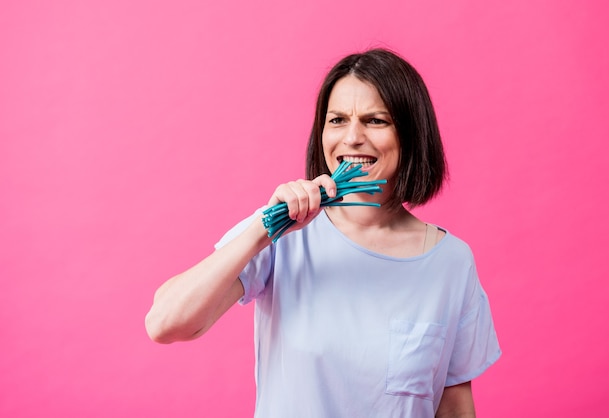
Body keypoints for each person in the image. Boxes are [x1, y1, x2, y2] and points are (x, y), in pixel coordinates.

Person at [145, 48, 501, 418]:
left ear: (411, 133)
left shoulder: (451, 263)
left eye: (375, 120)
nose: (352, 137)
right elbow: (165, 324)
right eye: (337, 120)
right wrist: (263, 230)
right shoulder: (284, 233)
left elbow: (454, 406)